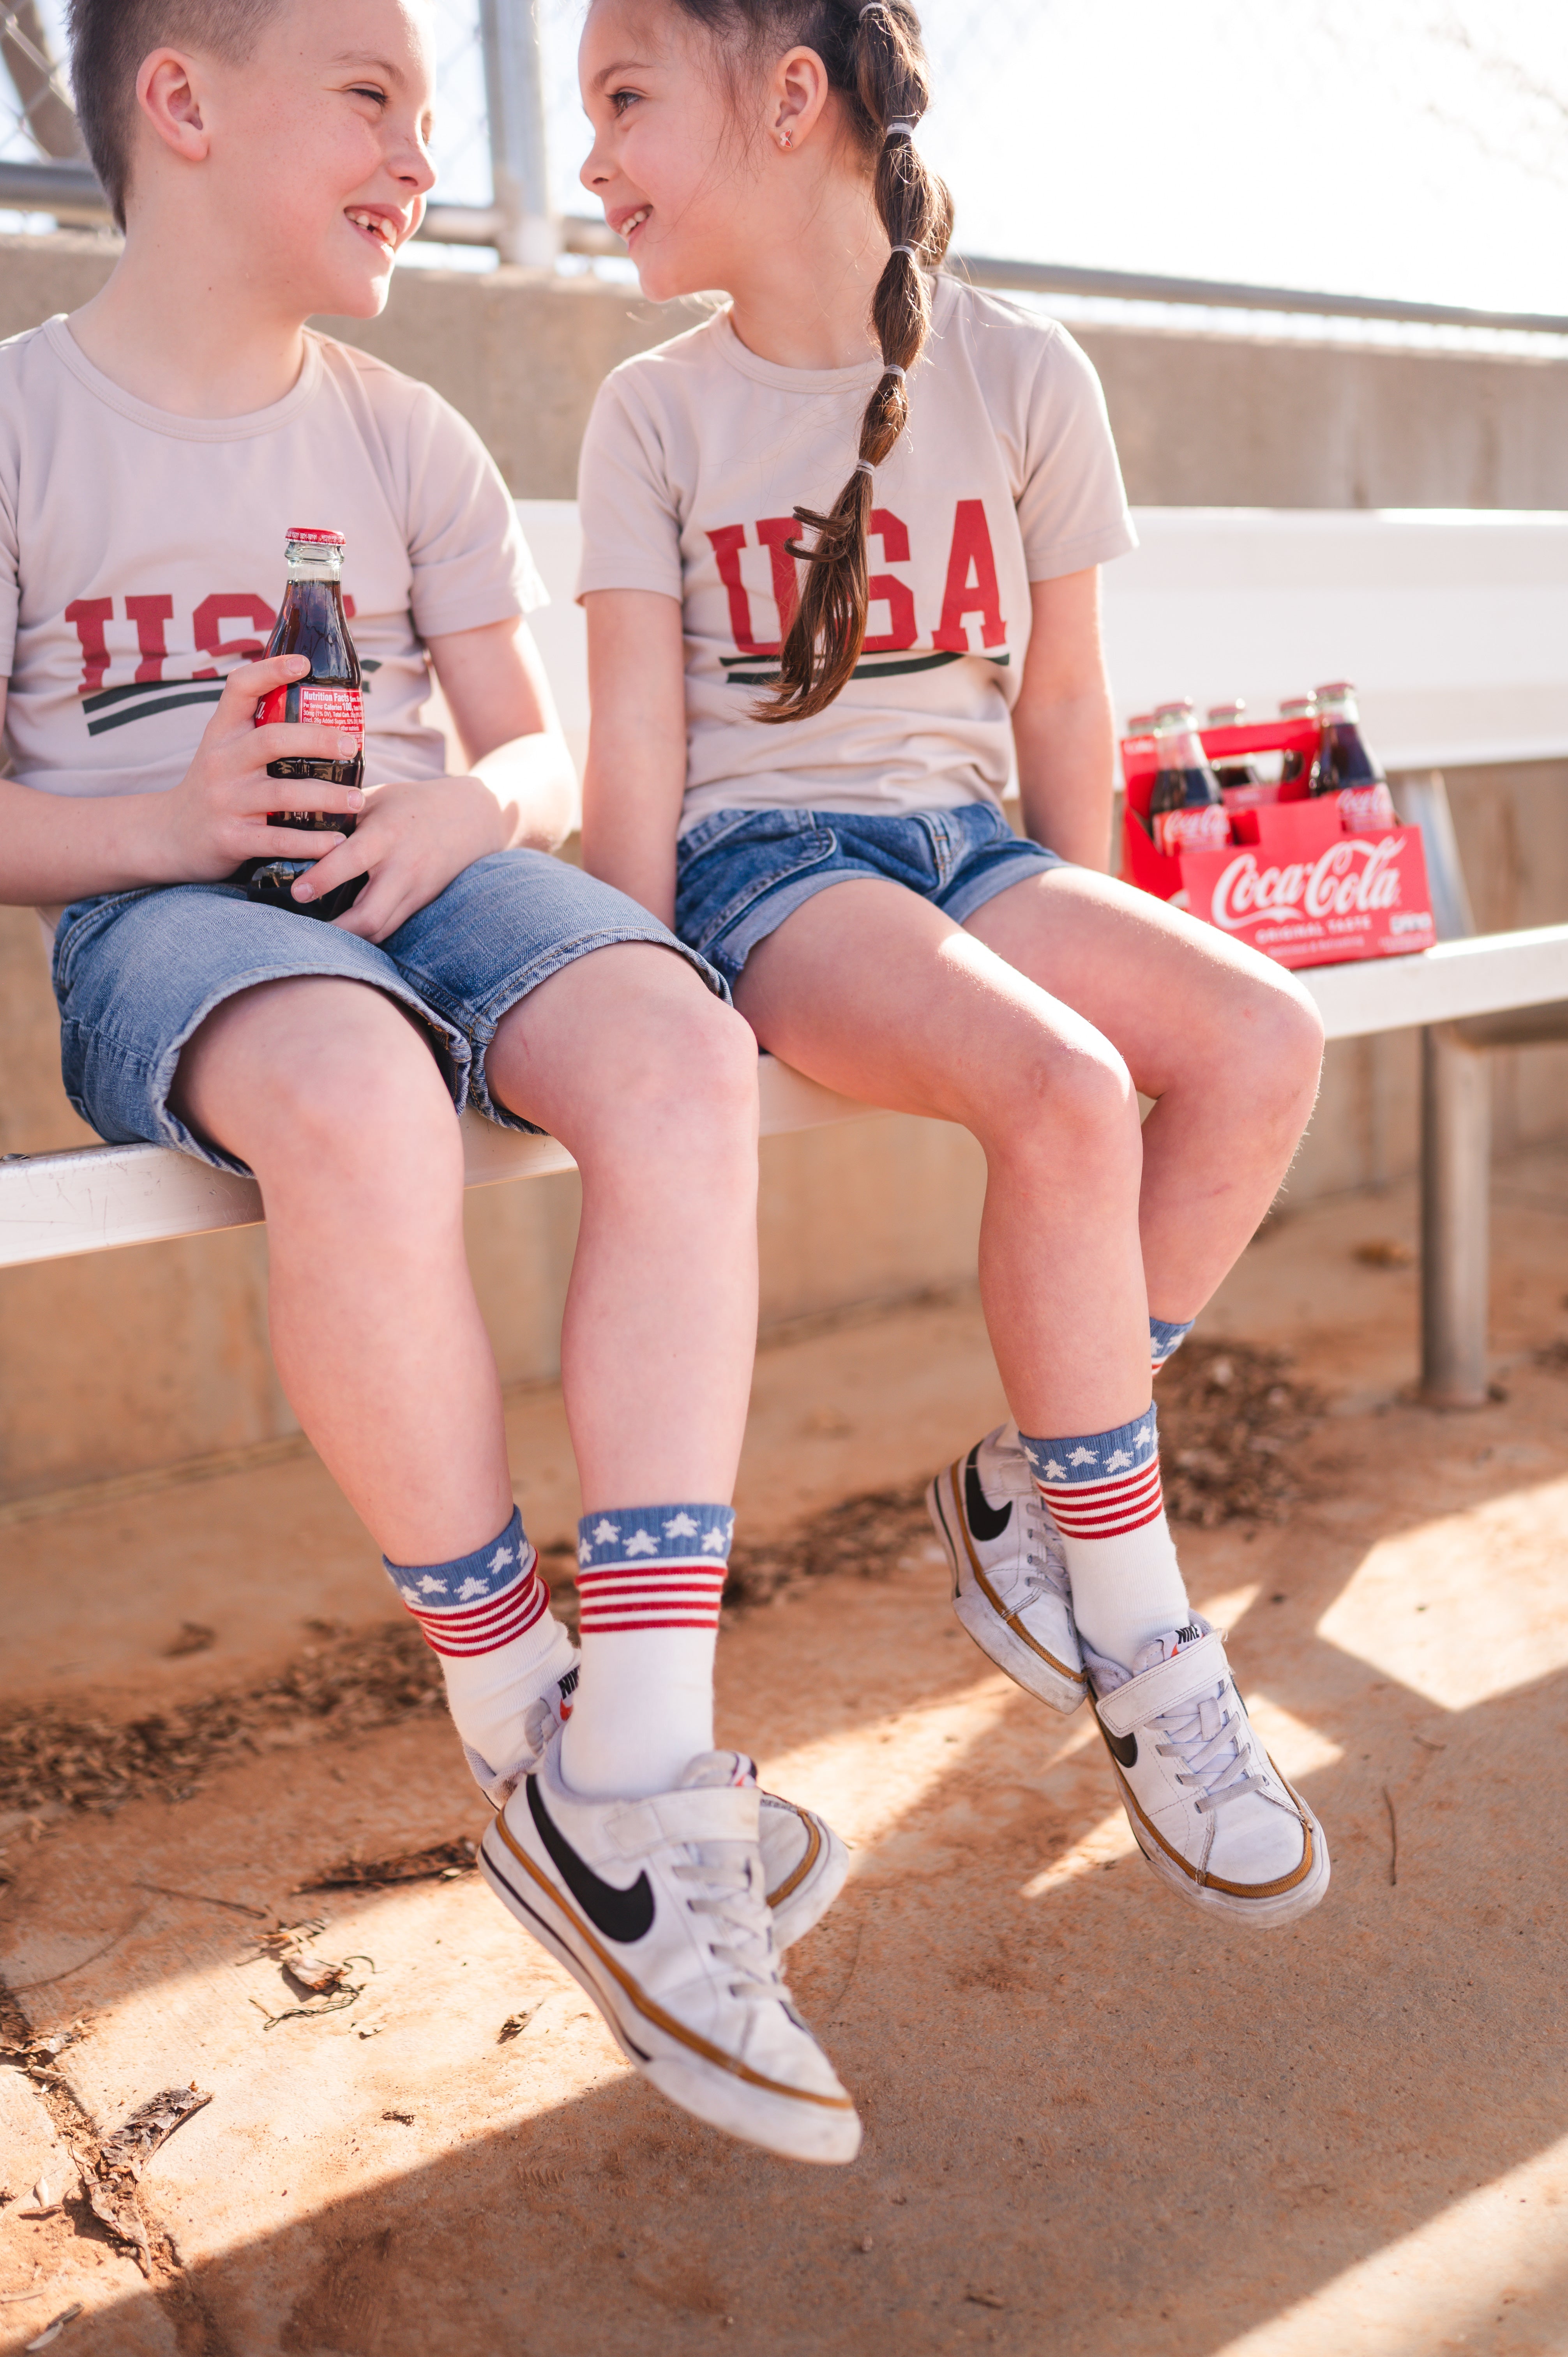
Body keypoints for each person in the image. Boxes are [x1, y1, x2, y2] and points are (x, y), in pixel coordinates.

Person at [1, 0, 860, 2165]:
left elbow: (525, 742)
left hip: (424, 879)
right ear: (181, 103)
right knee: (363, 1101)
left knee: (674, 1034)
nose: (425, 150)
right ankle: (520, 1717)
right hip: (174, 921)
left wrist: (467, 818)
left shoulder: (403, 433)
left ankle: (638, 1760)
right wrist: (165, 827)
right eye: (373, 94)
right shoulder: (22, 429)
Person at [576, 0, 1332, 1929]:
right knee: (1066, 1092)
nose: (593, 159)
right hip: (770, 876)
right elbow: (637, 755)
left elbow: (1063, 698)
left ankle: (1033, 1484)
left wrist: (1083, 935)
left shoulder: (1019, 372)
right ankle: (1144, 1640)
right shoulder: (651, 411)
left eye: (625, 100)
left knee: (1258, 1042)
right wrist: (625, 976)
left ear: (791, 97)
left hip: (976, 857)